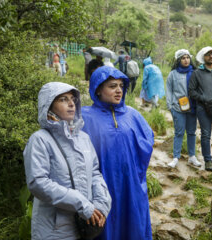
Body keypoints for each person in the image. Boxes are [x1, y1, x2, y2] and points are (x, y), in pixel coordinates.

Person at [23, 82, 111, 240]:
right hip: (53, 230)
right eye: (63, 99)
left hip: (84, 226)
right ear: (49, 105)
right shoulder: (40, 140)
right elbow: (38, 182)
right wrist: (82, 204)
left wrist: (101, 205)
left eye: (73, 99)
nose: (71, 104)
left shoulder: (83, 138)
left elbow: (95, 174)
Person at [81, 66, 154, 240]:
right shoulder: (85, 117)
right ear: (98, 89)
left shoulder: (133, 115)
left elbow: (147, 142)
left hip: (130, 185)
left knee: (132, 223)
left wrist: (135, 173)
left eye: (121, 86)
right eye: (112, 86)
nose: (119, 90)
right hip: (102, 184)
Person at [166, 49, 201, 168]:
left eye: (187, 57)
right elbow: (169, 90)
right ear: (178, 60)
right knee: (179, 133)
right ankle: (176, 157)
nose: (186, 60)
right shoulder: (173, 74)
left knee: (191, 132)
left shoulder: (196, 73)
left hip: (193, 107)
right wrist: (170, 106)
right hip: (177, 108)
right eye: (183, 58)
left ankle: (192, 157)